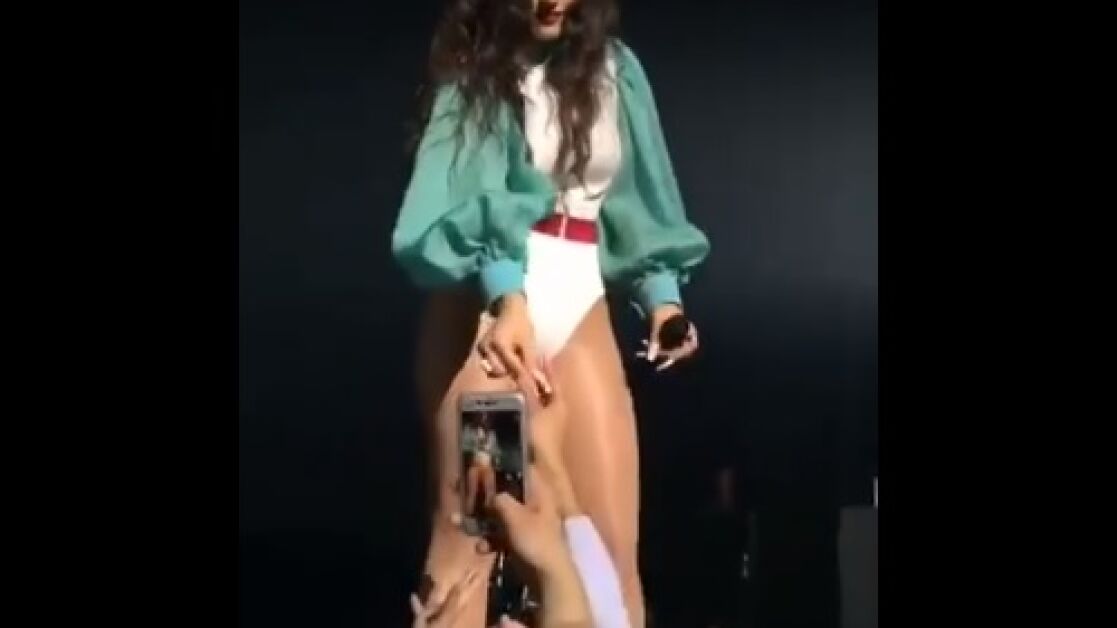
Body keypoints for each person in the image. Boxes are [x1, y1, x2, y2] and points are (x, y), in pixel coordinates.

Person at [393, 0, 710, 624]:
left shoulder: (616, 71)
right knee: (474, 541)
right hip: (487, 317)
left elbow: (640, 200)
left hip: (580, 299)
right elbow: (467, 197)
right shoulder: (479, 70)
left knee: (610, 559)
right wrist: (507, 298)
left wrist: (664, 302)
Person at [462, 414, 500, 517]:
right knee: (472, 493)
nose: (483, 419)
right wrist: (476, 445)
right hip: (475, 464)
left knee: (490, 494)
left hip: (487, 465)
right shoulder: (469, 430)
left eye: (486, 417)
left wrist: (496, 461)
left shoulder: (491, 434)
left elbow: (496, 451)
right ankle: (468, 516)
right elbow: (465, 448)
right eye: (481, 416)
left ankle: (489, 516)